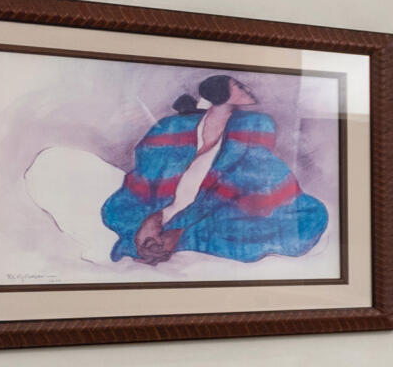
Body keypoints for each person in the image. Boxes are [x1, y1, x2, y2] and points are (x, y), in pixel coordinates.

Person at [100, 73, 329, 265]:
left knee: (301, 220)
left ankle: (179, 238)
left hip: (224, 202)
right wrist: (153, 218)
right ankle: (156, 238)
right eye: (239, 86)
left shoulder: (256, 124)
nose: (248, 89)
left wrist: (180, 231)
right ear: (220, 93)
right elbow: (148, 172)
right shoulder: (174, 126)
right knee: (121, 211)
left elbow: (252, 174)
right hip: (169, 203)